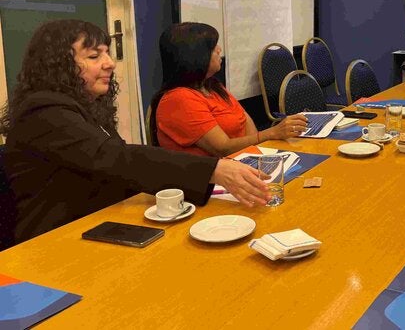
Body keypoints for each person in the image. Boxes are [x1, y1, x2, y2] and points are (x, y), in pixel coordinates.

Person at [1, 20, 270, 243]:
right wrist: (214, 170)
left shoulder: (86, 106)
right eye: (94, 56)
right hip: (54, 241)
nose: (110, 63)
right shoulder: (44, 111)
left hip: (101, 223)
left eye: (107, 53)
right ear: (58, 66)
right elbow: (116, 158)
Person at [151, 22, 307, 157]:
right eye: (213, 47)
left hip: (243, 161)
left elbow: (245, 122)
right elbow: (222, 148)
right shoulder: (178, 99)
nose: (219, 50)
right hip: (212, 176)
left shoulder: (213, 85)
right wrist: (272, 133)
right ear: (194, 56)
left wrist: (259, 150)